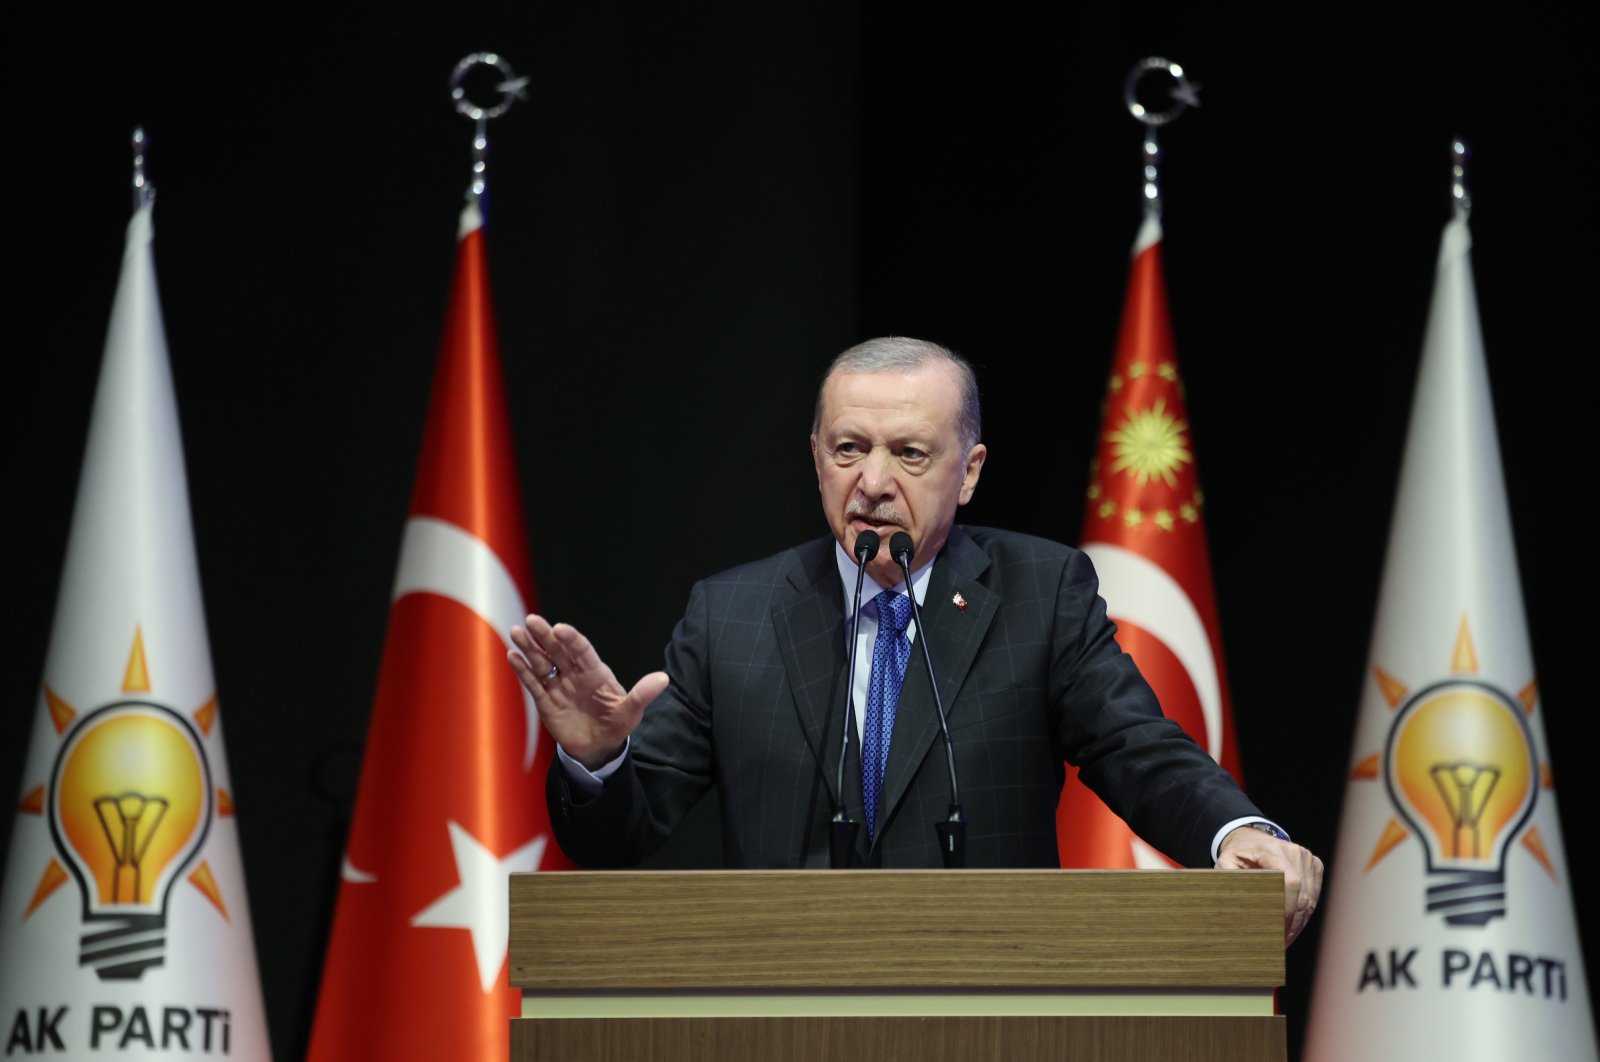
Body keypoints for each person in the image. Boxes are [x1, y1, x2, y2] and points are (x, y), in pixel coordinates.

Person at [508, 336, 1323, 945]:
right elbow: (615, 838)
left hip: (993, 1005)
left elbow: (1136, 745)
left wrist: (1237, 832)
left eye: (909, 454)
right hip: (779, 1013)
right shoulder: (733, 616)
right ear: (816, 459)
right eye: (849, 450)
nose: (872, 483)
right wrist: (597, 761)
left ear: (967, 471)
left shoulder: (1040, 595)